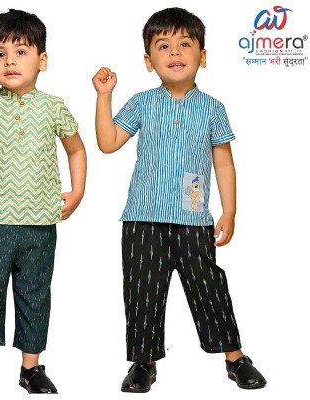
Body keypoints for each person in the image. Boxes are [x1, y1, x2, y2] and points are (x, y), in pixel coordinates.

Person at [92, 7, 266, 393]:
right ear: (148, 60)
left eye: (185, 44)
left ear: (202, 56)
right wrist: (104, 96)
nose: (174, 52)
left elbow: (223, 162)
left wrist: (230, 210)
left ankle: (235, 357)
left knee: (209, 286)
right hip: (143, 217)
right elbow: (107, 142)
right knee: (142, 291)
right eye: (163, 45)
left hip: (193, 218)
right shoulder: (141, 102)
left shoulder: (213, 108)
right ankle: (143, 361)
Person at [0, 9, 86, 394]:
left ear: (42, 60)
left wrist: (77, 190)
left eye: (21, 52)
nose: (10, 61)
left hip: (41, 223)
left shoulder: (54, 106)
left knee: (35, 294)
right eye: (0, 54)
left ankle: (31, 367)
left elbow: (76, 149)